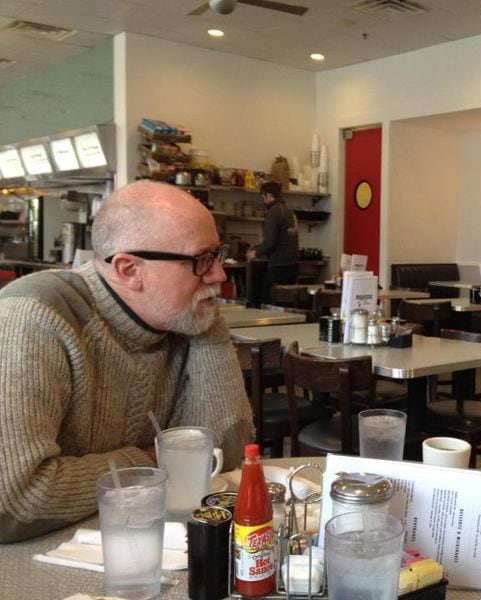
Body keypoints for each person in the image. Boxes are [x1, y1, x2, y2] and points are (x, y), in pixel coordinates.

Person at [0, 181, 253, 543]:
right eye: (200, 260)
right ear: (129, 270)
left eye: (218, 256)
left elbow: (224, 455)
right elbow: (13, 503)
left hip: (137, 541)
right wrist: (155, 461)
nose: (220, 276)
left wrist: (207, 324)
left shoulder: (179, 318)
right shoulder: (33, 316)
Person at [246, 180, 299, 304]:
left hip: (278, 267)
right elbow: (281, 238)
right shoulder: (289, 212)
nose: (263, 201)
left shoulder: (273, 212)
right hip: (293, 266)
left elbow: (270, 242)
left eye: (263, 197)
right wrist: (257, 247)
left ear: (268, 195)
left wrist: (255, 253)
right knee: (284, 305)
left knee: (267, 303)